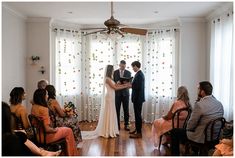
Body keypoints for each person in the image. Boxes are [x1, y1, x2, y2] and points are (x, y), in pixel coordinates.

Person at [170, 81, 224, 156]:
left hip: (202, 138)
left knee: (174, 132)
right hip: (215, 137)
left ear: (202, 91)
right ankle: (194, 151)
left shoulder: (200, 105)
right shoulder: (219, 104)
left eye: (198, 89)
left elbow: (190, 126)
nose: (197, 91)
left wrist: (189, 128)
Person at [82, 65, 130, 139]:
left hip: (111, 96)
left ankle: (111, 129)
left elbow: (116, 86)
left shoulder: (110, 78)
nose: (114, 71)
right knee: (109, 112)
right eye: (113, 69)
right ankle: (108, 130)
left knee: (111, 112)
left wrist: (123, 84)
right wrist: (126, 86)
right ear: (110, 70)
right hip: (109, 97)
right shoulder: (107, 79)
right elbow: (115, 88)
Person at [31, 89, 78, 156]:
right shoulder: (44, 109)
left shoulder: (34, 107)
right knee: (69, 130)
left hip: (38, 136)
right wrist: (54, 129)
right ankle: (72, 155)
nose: (47, 96)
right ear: (42, 96)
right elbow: (47, 129)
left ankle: (66, 153)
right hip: (46, 137)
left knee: (65, 130)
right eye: (46, 94)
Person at [113, 60, 131, 131]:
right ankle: (117, 125)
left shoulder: (128, 73)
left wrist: (124, 83)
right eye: (122, 66)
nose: (123, 67)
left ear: (125, 66)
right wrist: (116, 82)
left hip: (125, 94)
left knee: (126, 110)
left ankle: (126, 125)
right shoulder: (115, 72)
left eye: (124, 66)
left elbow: (129, 83)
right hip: (117, 94)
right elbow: (112, 82)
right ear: (119, 65)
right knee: (117, 110)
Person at [129, 61, 145, 138]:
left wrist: (130, 85)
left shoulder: (139, 75)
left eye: (133, 67)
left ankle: (139, 133)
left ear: (136, 66)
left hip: (138, 98)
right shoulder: (138, 74)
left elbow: (137, 87)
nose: (132, 68)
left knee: (138, 115)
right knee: (137, 115)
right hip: (138, 98)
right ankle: (137, 129)